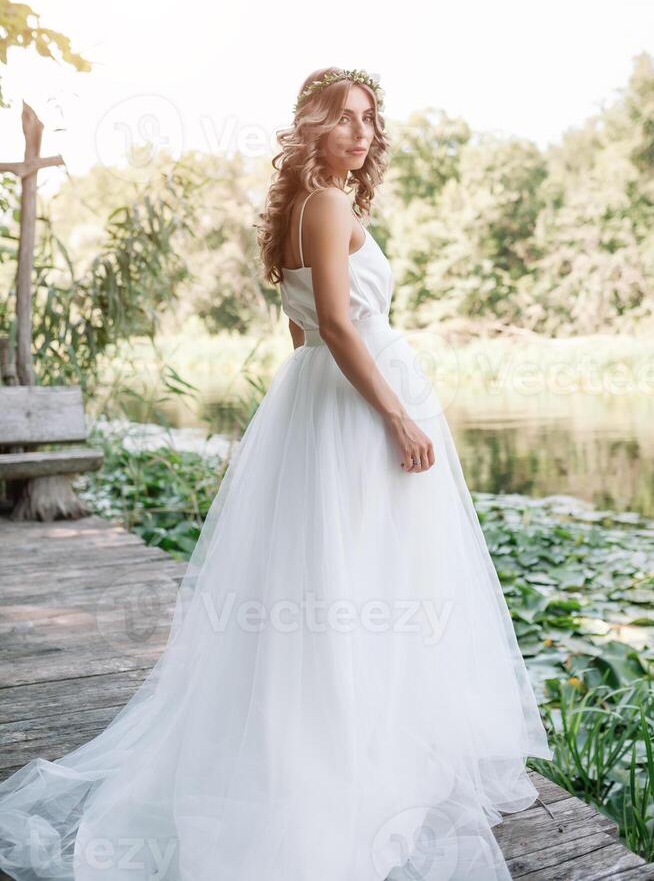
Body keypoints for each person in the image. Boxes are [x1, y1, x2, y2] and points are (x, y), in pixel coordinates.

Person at [0, 67, 552, 881]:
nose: (362, 134)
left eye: (369, 119)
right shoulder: (327, 205)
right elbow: (332, 320)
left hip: (321, 404)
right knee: (366, 583)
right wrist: (396, 413)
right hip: (361, 407)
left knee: (336, 583)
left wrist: (310, 413)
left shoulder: (297, 211)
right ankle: (348, 759)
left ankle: (339, 738)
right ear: (312, 129)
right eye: (344, 119)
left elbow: (300, 338)